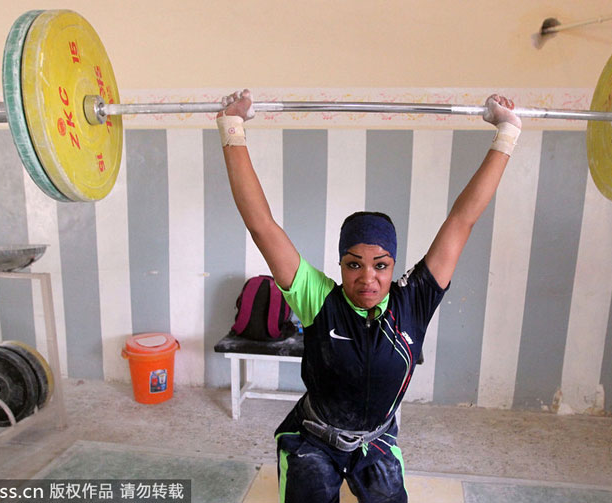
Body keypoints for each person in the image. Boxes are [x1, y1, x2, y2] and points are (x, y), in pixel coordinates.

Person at [217, 90, 521, 503]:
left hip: (374, 441)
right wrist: (232, 126)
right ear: (340, 265)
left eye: (380, 265)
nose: (367, 278)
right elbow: (261, 224)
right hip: (313, 438)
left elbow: (462, 219)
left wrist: (507, 132)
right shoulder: (318, 299)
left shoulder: (413, 301)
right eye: (353, 264)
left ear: (393, 266)